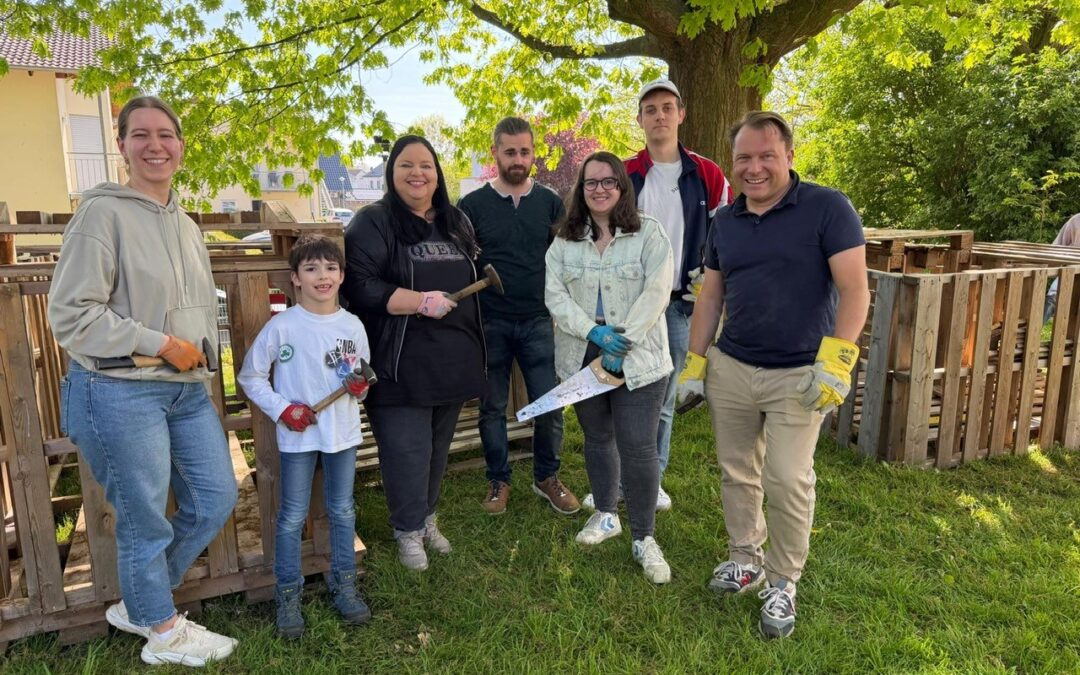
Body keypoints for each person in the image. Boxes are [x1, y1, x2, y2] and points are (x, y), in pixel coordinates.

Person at [48, 96, 238, 667]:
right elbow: (72, 313)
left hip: (184, 390)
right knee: (143, 516)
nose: (155, 145)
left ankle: (140, 599)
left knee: (215, 498)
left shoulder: (184, 221)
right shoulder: (102, 213)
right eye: (141, 135)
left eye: (166, 135)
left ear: (181, 146)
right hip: (118, 391)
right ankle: (162, 630)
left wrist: (196, 352)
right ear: (122, 145)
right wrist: (161, 344)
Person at [677, 111, 870, 638]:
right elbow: (710, 295)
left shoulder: (828, 208)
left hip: (801, 375)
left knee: (787, 478)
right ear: (733, 163)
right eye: (744, 158)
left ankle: (783, 581)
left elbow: (855, 290)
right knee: (736, 470)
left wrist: (836, 363)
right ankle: (745, 557)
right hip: (734, 367)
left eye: (766, 156)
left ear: (789, 155)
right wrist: (694, 366)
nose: (754, 168)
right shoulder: (725, 223)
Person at [585, 78, 732, 514]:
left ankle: (652, 477)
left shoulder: (707, 173)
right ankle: (612, 482)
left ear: (681, 114)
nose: (660, 116)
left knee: (661, 397)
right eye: (650, 109)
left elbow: (724, 231)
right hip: (623, 304)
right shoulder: (624, 173)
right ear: (640, 119)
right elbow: (600, 230)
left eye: (668, 107)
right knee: (612, 390)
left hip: (678, 302)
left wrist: (709, 272)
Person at [341, 135, 486, 572]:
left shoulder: (455, 220)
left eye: (426, 165)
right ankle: (407, 531)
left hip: (452, 357)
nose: (417, 173)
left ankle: (426, 519)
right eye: (406, 165)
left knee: (438, 446)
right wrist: (418, 300)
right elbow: (359, 286)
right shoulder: (373, 222)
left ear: (438, 173)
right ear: (391, 172)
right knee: (406, 449)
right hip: (399, 359)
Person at [545, 151, 675, 584]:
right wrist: (594, 334)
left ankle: (644, 536)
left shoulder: (648, 233)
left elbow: (657, 293)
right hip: (583, 351)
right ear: (580, 192)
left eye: (607, 181)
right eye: (590, 183)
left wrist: (623, 342)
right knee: (598, 438)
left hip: (639, 356)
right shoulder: (564, 240)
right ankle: (605, 514)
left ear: (622, 186)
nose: (599, 189)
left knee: (638, 444)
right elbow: (555, 296)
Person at [237, 235, 372, 638]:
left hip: (342, 434)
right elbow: (250, 376)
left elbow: (362, 374)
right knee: (292, 516)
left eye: (330, 268)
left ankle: (344, 583)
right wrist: (283, 409)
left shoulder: (352, 325)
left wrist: (361, 389)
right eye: (311, 269)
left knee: (343, 510)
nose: (322, 276)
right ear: (294, 278)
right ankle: (288, 592)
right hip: (297, 438)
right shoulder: (283, 326)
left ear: (342, 276)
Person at [458, 117, 579, 516]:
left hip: (538, 322)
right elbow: (461, 263)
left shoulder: (549, 203)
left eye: (525, 151)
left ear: (533, 154)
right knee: (492, 406)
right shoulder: (471, 206)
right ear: (495, 152)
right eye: (510, 151)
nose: (518, 159)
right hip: (490, 322)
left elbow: (564, 261)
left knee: (550, 402)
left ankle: (546, 476)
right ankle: (499, 479)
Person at [1044, 212, 1080, 323]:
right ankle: (1028, 334)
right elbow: (1057, 248)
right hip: (1070, 273)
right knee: (1052, 298)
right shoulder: (1076, 221)